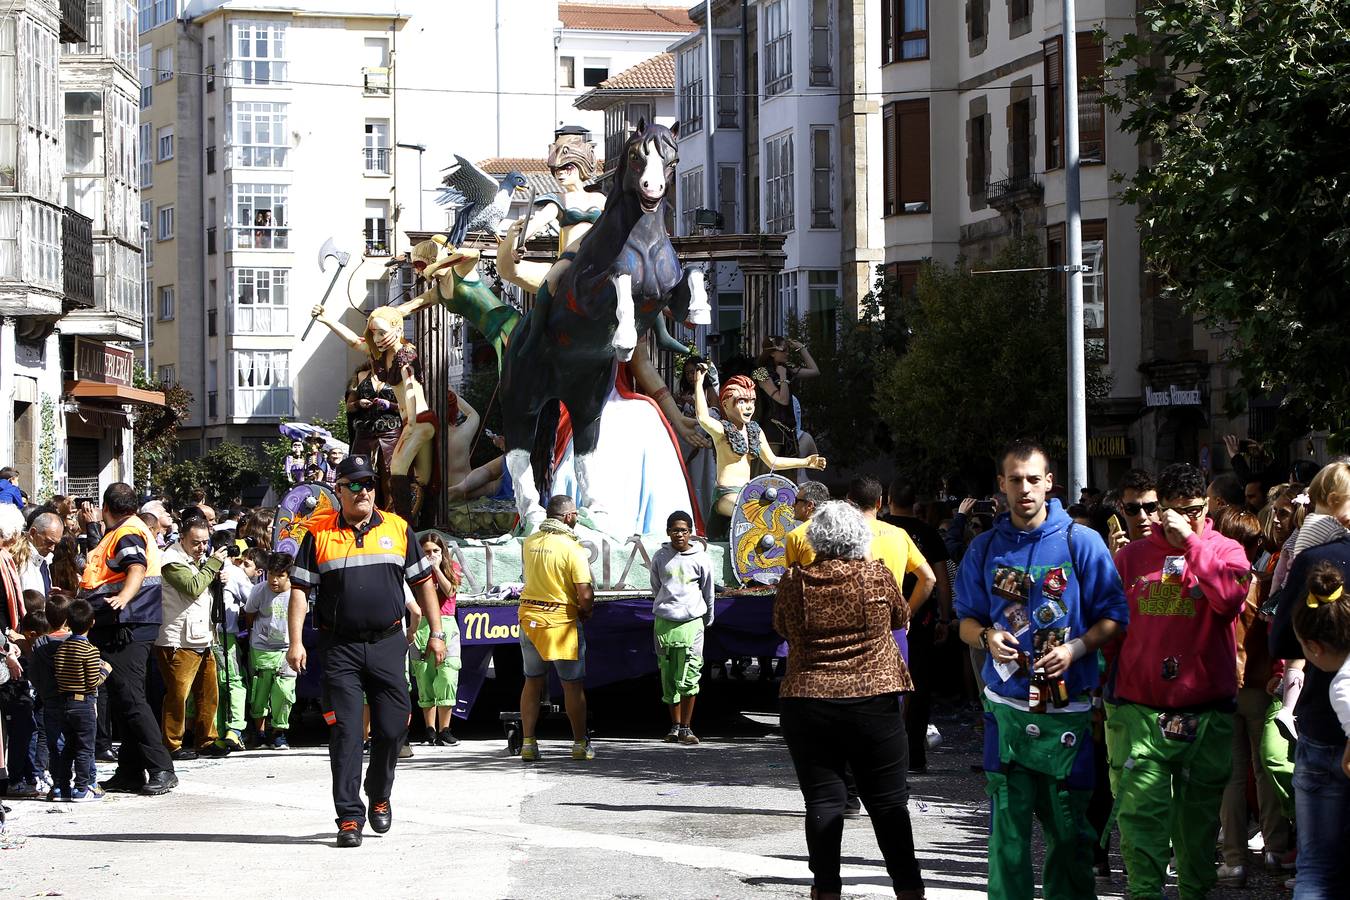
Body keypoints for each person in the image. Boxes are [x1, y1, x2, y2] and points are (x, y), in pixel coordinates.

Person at [955, 439, 1128, 900]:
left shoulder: (1082, 542)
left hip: (1067, 712)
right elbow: (965, 621)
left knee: (1070, 838)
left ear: (1049, 482)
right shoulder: (985, 548)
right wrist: (986, 637)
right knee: (1007, 841)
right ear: (1001, 486)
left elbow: (1114, 616)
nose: (1025, 489)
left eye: (1034, 479)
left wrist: (1076, 648)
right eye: (1015, 480)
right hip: (1006, 713)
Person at [286, 453, 445, 848]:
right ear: (338, 490)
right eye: (354, 484)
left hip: (388, 643)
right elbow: (300, 591)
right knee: (345, 732)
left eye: (369, 484)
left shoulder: (398, 528)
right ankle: (349, 817)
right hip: (339, 647)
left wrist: (437, 631)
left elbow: (424, 583)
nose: (364, 491)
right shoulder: (318, 534)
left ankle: (379, 793)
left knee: (392, 729)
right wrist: (294, 641)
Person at [1108, 463, 1251, 899]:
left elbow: (1228, 600)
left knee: (1198, 830)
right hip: (1140, 710)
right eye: (1172, 511)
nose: (1181, 519)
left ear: (1206, 507)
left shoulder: (1227, 551)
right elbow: (1112, 631)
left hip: (1205, 712)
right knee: (1141, 823)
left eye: (1192, 511)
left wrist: (1191, 543)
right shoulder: (1131, 556)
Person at [774, 500, 925, 900]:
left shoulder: (793, 581)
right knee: (889, 803)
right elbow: (899, 617)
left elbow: (782, 627)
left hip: (808, 698)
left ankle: (826, 890)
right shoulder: (876, 576)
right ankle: (909, 890)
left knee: (824, 800)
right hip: (872, 699)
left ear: (816, 538)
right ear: (859, 537)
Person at [1269, 516, 1350, 896]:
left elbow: (1279, 638)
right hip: (1324, 731)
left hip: (1320, 731)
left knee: (1315, 868)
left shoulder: (1341, 686)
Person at [79, 483, 176, 796]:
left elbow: (135, 567)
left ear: (107, 507)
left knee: (130, 697)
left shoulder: (127, 532)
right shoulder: (121, 530)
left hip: (128, 623)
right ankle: (131, 770)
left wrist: (123, 596)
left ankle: (162, 768)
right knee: (124, 698)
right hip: (120, 623)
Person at [1214, 508, 1293, 886]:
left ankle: (1234, 859)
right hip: (1261, 684)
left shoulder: (1214, 585)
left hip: (1224, 686)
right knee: (1264, 770)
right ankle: (1276, 849)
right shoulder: (1262, 583)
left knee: (1231, 774)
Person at [691, 367, 826, 539]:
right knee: (752, 511)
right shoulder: (722, 430)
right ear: (725, 404)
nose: (748, 407)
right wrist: (698, 383)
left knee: (776, 512)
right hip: (726, 496)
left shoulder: (754, 431)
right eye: (741, 402)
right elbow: (702, 418)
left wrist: (806, 462)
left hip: (748, 494)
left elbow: (773, 462)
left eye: (752, 401)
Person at [517, 495, 595, 762]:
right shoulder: (573, 548)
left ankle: (528, 743)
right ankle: (579, 744)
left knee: (532, 681)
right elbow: (584, 593)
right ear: (569, 516)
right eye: (575, 514)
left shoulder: (530, 542)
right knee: (572, 686)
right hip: (560, 622)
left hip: (529, 618)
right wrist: (586, 612)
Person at [882, 478, 952, 774]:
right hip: (920, 619)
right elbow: (940, 581)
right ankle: (915, 756)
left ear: (886, 499)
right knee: (918, 687)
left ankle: (886, 756)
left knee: (883, 687)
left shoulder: (880, 529)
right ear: (916, 505)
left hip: (882, 620)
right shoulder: (928, 533)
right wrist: (945, 618)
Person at [156, 518, 231, 760]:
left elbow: (203, 587)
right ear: (182, 539)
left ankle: (206, 740)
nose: (201, 547)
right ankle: (171, 744)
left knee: (209, 693)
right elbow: (192, 586)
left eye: (205, 542)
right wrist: (213, 566)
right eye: (196, 542)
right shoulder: (171, 561)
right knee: (178, 695)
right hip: (177, 640)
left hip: (203, 637)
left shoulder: (199, 561)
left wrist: (217, 578)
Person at [648, 510, 714, 745]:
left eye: (684, 531)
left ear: (690, 533)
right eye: (675, 530)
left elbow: (708, 592)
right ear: (668, 532)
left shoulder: (701, 558)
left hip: (692, 622)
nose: (680, 535)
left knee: (689, 673)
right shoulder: (660, 557)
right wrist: (666, 606)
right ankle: (674, 727)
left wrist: (707, 619)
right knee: (668, 675)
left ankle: (687, 728)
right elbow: (656, 586)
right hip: (665, 623)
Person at [48, 599, 108, 802]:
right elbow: (93, 682)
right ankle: (82, 788)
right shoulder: (90, 650)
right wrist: (105, 670)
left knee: (69, 747)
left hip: (65, 703)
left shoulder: (61, 649)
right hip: (83, 704)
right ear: (92, 622)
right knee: (85, 748)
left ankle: (62, 787)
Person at [410, 533, 463, 746]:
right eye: (426, 552)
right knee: (424, 676)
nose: (431, 555)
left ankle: (445, 729)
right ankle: (430, 729)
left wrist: (436, 568)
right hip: (421, 626)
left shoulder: (452, 569)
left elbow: (450, 590)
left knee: (448, 676)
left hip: (447, 624)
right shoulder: (414, 573)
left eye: (435, 551)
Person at [244, 552, 296, 751]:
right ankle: (260, 733)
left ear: (289, 575)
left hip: (287, 648)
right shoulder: (259, 591)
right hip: (262, 648)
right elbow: (250, 615)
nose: (274, 580)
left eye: (280, 575)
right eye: (271, 574)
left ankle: (279, 732)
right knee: (260, 692)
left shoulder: (296, 593)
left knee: (284, 692)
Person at [751, 337, 819, 460]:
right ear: (772, 353)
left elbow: (814, 371)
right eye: (783, 350)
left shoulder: (786, 368)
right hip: (771, 432)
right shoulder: (761, 373)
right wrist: (782, 377)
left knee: (790, 471)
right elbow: (783, 399)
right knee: (772, 472)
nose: (787, 353)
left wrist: (801, 348)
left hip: (789, 429)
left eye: (788, 350)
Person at [783, 481, 832, 568]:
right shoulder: (836, 530)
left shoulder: (796, 536)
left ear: (809, 505)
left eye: (797, 501)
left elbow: (790, 577)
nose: (793, 505)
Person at [1116, 468, 1161, 551]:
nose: (1142, 516)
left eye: (1150, 507)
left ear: (1160, 508)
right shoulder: (1112, 555)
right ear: (1121, 509)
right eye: (1132, 508)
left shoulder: (1176, 548)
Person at [20, 512, 62, 595]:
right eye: (49, 542)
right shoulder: (20, 560)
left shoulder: (44, 558)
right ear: (32, 533)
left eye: (55, 544)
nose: (52, 548)